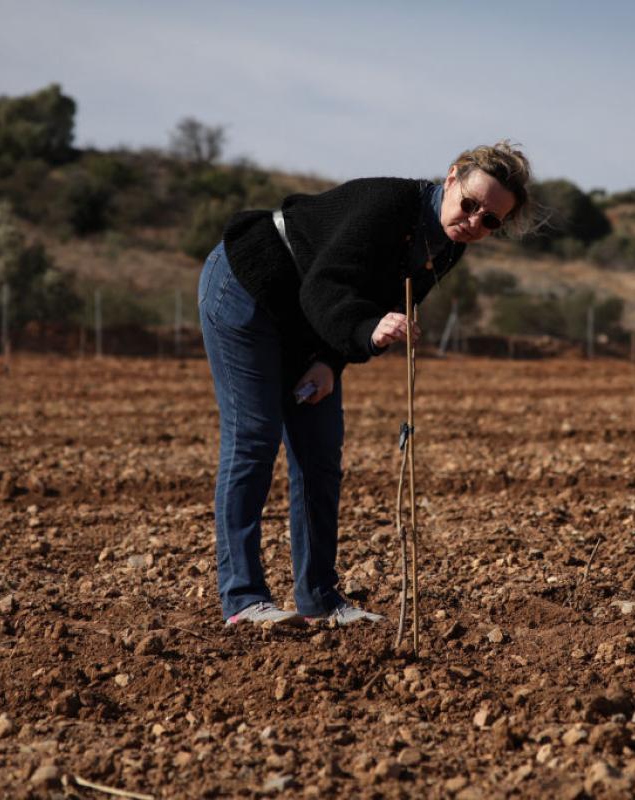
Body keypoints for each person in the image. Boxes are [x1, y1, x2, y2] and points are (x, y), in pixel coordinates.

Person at [197, 141, 533, 626]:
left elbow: (368, 297)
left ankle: (319, 599)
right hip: (247, 285)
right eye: (471, 203)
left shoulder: (448, 246)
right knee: (254, 437)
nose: (475, 220)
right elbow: (329, 286)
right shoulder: (389, 206)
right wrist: (365, 332)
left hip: (308, 322)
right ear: (452, 177)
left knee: (320, 451)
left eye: (491, 221)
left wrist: (330, 363)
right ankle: (244, 600)